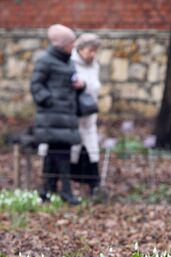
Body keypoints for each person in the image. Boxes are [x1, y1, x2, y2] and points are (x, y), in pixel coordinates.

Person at [30, 24, 85, 205]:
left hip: (66, 116)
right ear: (62, 44)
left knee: (55, 154)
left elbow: (70, 83)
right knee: (60, 153)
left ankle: (46, 190)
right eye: (71, 42)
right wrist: (51, 101)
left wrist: (80, 86)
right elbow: (36, 86)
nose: (74, 45)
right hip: (53, 117)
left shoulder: (68, 61)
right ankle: (65, 191)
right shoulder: (45, 61)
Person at [70, 33, 103, 197]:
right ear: (81, 49)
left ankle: (94, 187)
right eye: (91, 50)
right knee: (72, 153)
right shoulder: (70, 64)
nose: (93, 54)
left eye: (96, 51)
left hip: (90, 118)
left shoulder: (95, 66)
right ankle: (68, 188)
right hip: (75, 117)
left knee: (91, 152)